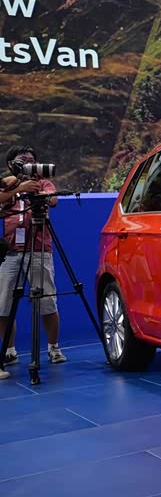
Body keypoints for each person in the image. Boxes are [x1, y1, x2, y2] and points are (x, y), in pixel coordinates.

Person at [0, 146, 66, 374]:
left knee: (46, 300)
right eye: (23, 161)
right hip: (10, 251)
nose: (28, 164)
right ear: (12, 164)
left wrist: (35, 190)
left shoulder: (43, 181)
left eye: (31, 161)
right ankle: (9, 350)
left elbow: (53, 201)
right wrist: (19, 187)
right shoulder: (7, 183)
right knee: (3, 305)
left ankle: (53, 347)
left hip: (39, 249)